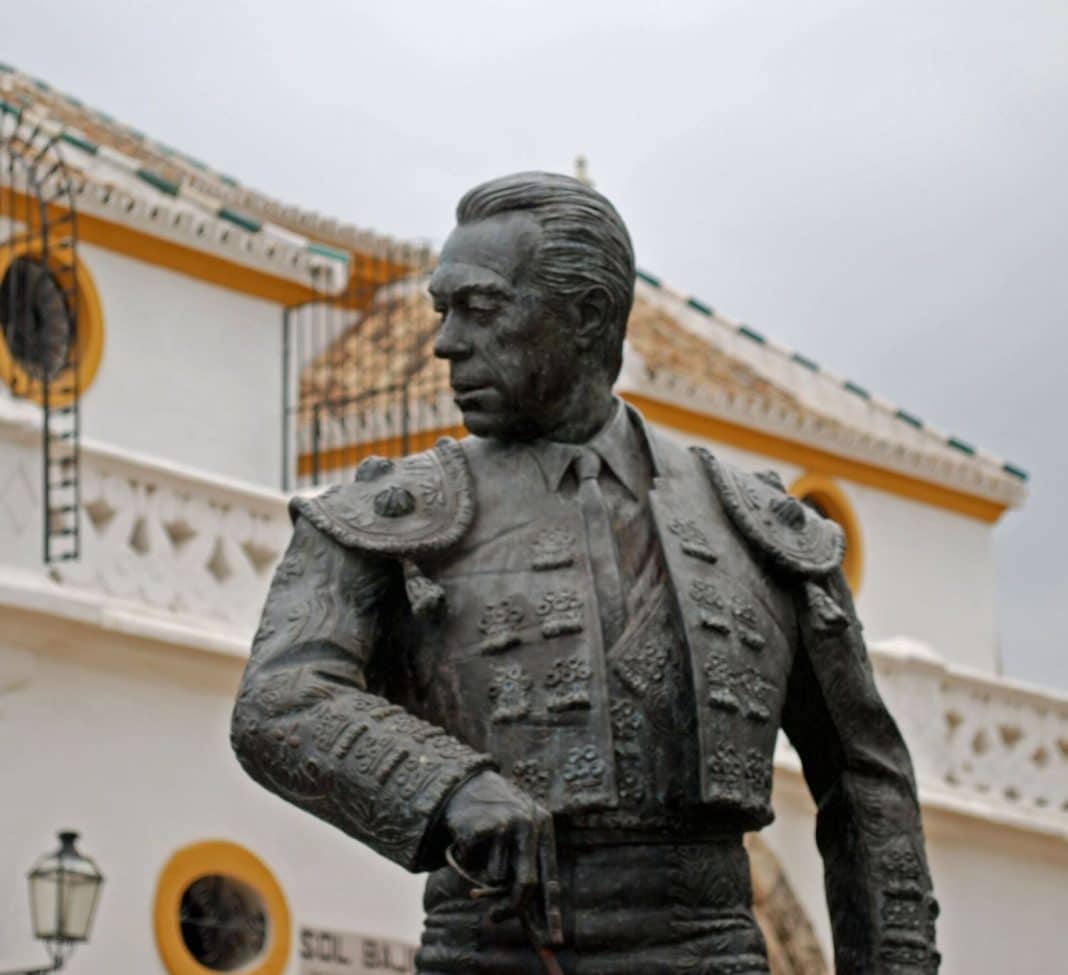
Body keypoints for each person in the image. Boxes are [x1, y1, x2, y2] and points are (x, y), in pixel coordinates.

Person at [231, 172, 939, 974]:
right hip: (494, 950)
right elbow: (278, 699)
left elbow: (864, 779)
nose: (444, 343)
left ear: (589, 316)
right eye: (443, 310)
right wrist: (448, 786)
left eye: (482, 309)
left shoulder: (758, 528)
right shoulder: (392, 517)